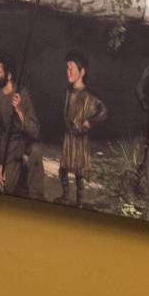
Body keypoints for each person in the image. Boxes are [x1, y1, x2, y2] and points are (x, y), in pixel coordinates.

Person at [0, 54, 44, 200]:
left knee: (36, 151)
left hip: (25, 143)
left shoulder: (22, 93)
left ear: (9, 74)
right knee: (6, 188)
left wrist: (19, 111)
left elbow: (35, 130)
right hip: (8, 146)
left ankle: (37, 199)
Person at [60, 50, 108, 207]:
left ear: (82, 72)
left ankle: (79, 203)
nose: (68, 72)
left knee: (79, 173)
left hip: (80, 140)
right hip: (69, 138)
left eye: (71, 68)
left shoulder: (88, 96)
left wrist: (90, 121)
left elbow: (103, 111)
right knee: (63, 170)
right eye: (67, 68)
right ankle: (66, 197)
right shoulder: (68, 92)